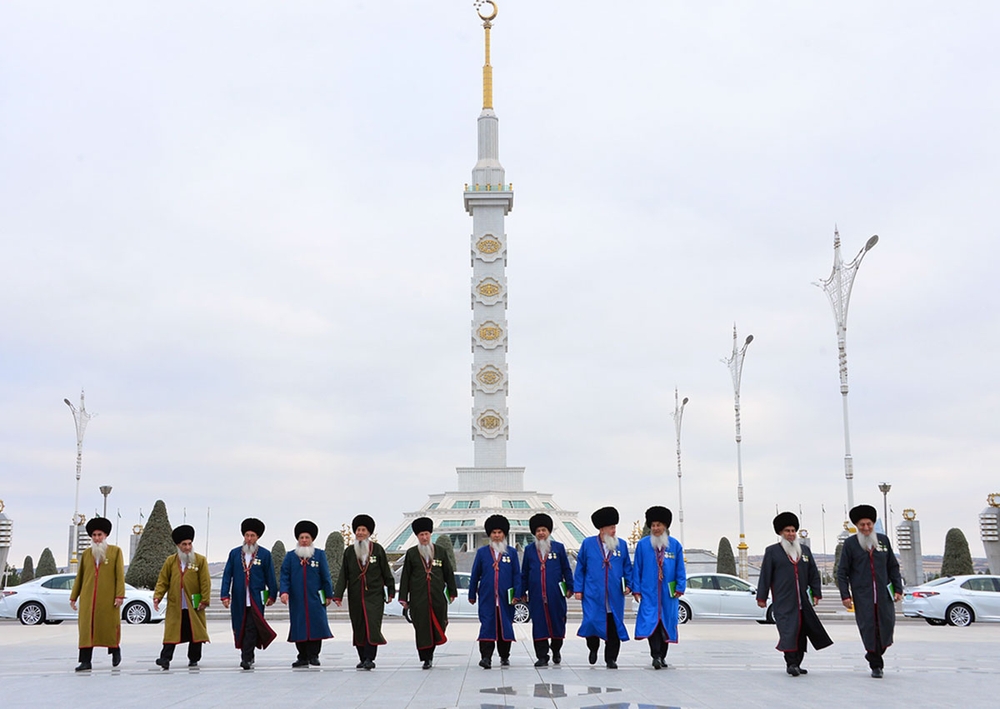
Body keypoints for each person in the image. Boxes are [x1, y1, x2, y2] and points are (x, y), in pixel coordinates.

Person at [757, 511, 833, 677]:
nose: (791, 534)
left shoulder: (804, 551)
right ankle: (791, 663)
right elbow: (765, 575)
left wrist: (816, 593)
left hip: (803, 601)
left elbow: (813, 573)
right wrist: (761, 597)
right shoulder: (772, 551)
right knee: (788, 631)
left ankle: (798, 663)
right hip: (784, 601)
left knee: (801, 631)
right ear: (780, 533)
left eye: (793, 531)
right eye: (787, 531)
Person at [837, 504, 903, 678]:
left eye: (869, 524)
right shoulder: (851, 544)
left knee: (886, 627)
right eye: (862, 525)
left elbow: (893, 567)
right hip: (863, 596)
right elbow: (842, 571)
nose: (866, 528)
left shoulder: (883, 541)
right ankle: (876, 664)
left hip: (884, 596)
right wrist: (845, 594)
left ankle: (875, 653)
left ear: (873, 524)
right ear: (857, 526)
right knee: (868, 629)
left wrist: (898, 589)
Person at [333, 514, 395, 670]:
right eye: (358, 530)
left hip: (374, 596)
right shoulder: (349, 552)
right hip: (355, 596)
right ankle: (362, 657)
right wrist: (338, 595)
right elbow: (343, 575)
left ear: (369, 533)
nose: (360, 533)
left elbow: (386, 572)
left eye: (363, 530)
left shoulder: (377, 550)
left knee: (372, 626)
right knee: (359, 626)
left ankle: (370, 657)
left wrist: (391, 591)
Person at [574, 506, 633, 669]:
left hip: (614, 594)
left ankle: (611, 659)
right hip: (593, 593)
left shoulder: (621, 545)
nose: (614, 531)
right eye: (611, 527)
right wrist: (578, 589)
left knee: (614, 626)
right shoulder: (588, 544)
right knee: (592, 622)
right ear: (602, 529)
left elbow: (627, 567)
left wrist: (629, 585)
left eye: (615, 527)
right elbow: (580, 568)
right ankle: (593, 648)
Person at [398, 517, 458, 669]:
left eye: (426, 534)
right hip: (419, 597)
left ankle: (431, 651)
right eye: (421, 535)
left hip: (438, 596)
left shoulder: (440, 552)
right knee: (422, 627)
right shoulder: (412, 553)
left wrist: (452, 591)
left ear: (430, 534)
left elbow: (448, 573)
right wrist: (403, 597)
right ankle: (426, 658)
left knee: (440, 624)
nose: (424, 538)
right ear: (417, 537)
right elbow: (405, 576)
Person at [632, 506, 686, 669]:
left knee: (666, 624)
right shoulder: (642, 545)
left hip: (668, 595)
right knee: (652, 623)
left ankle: (662, 656)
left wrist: (680, 586)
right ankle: (655, 655)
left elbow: (680, 568)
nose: (655, 528)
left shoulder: (675, 545)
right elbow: (637, 568)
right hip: (650, 592)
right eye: (653, 525)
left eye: (659, 525)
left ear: (665, 527)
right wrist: (636, 589)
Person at [220, 517, 278, 670]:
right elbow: (227, 575)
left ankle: (246, 658)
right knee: (241, 627)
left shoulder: (264, 554)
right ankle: (248, 654)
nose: (249, 539)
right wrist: (225, 595)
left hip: (256, 599)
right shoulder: (234, 554)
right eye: (247, 535)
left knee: (252, 627)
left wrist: (273, 594)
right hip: (239, 598)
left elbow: (270, 576)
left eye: (252, 536)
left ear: (257, 537)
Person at [69, 517, 124, 671]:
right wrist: (74, 597)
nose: (97, 538)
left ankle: (115, 649)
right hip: (88, 599)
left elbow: (120, 575)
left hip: (108, 598)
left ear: (105, 535)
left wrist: (119, 595)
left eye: (99, 535)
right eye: (94, 535)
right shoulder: (87, 554)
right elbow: (80, 577)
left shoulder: (115, 552)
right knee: (86, 629)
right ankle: (85, 661)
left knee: (108, 626)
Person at [153, 525, 211, 670]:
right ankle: (165, 658)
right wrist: (157, 596)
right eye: (184, 544)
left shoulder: (200, 560)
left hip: (194, 604)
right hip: (176, 604)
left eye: (189, 544)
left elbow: (205, 581)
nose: (187, 547)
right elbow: (163, 581)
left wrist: (205, 599)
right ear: (178, 546)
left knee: (195, 631)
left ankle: (194, 658)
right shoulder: (170, 561)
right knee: (171, 632)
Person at [469, 514, 522, 669]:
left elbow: (516, 575)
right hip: (487, 596)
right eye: (494, 533)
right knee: (487, 625)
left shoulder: (511, 553)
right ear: (490, 535)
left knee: (504, 625)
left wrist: (517, 594)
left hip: (506, 597)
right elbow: (475, 574)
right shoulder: (482, 553)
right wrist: (472, 593)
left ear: (504, 534)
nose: (497, 535)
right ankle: (486, 657)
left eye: (500, 532)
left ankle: (504, 656)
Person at [521, 512, 574, 667]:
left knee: (558, 622)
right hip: (536, 595)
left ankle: (556, 650)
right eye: (538, 531)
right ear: (534, 533)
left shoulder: (558, 548)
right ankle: (542, 656)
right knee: (539, 624)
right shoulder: (530, 550)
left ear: (549, 531)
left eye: (544, 530)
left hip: (555, 594)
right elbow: (524, 572)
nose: (541, 533)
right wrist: (522, 592)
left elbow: (566, 569)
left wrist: (570, 586)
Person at [279, 520, 334, 668]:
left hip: (315, 598)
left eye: (307, 538)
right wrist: (284, 592)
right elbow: (284, 575)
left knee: (316, 625)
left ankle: (314, 655)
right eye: (301, 538)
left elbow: (325, 576)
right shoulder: (291, 556)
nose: (304, 541)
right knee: (299, 626)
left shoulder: (319, 555)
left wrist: (328, 595)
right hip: (297, 600)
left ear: (312, 539)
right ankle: (302, 656)